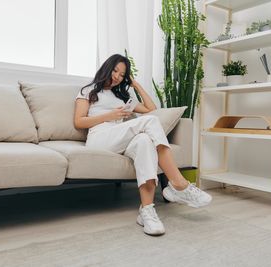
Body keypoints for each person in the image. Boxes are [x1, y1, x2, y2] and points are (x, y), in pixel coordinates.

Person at [74, 54, 212, 236]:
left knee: (145, 141)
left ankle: (146, 210)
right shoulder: (88, 90)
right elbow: (79, 122)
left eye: (122, 75)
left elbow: (151, 109)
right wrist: (109, 116)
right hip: (99, 137)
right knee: (149, 122)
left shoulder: (122, 96)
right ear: (107, 67)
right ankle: (178, 184)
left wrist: (136, 85)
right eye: (115, 70)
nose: (117, 76)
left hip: (121, 136)